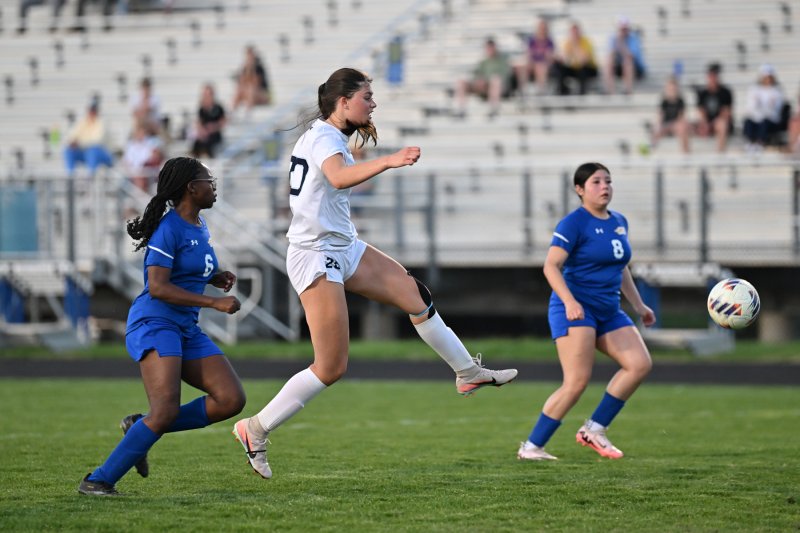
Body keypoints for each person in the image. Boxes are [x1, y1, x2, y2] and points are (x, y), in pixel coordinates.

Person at [232, 67, 518, 479]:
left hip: (343, 245)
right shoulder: (325, 136)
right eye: (366, 96)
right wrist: (388, 161)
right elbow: (336, 177)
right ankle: (255, 428)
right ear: (343, 101)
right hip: (315, 253)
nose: (373, 103)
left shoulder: (328, 134)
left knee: (414, 295)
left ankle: (467, 372)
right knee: (331, 366)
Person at [78, 157, 246, 496]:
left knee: (230, 399)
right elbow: (157, 287)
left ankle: (141, 427)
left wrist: (213, 277)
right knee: (165, 410)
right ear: (191, 188)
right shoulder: (168, 228)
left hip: (185, 328)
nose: (214, 186)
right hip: (155, 323)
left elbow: (185, 267)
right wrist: (213, 302)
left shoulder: (198, 224)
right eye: (209, 180)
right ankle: (98, 480)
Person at [517, 162, 655, 462]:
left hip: (609, 310)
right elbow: (550, 266)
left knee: (639, 364)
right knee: (576, 382)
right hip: (576, 309)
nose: (604, 186)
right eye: (596, 182)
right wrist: (569, 301)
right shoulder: (574, 223)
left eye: (608, 181)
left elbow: (620, 268)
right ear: (579, 189)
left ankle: (594, 429)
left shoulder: (619, 221)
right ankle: (532, 447)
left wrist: (638, 305)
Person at [453, 37, 513, 118]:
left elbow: (504, 76)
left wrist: (487, 81)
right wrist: (478, 80)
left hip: (499, 87)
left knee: (495, 80)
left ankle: (493, 109)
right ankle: (461, 110)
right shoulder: (483, 62)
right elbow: (475, 75)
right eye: (488, 48)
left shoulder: (502, 61)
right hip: (483, 86)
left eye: (491, 47)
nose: (489, 50)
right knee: (461, 82)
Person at [62, 99, 114, 178]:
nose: (91, 113)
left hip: (103, 153)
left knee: (92, 150)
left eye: (93, 110)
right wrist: (73, 142)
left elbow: (97, 141)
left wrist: (79, 143)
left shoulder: (101, 122)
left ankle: (91, 177)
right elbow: (72, 136)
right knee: (69, 150)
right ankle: (70, 176)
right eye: (90, 110)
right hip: (86, 153)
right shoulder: (83, 122)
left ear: (96, 111)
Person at [742, 64, 785, 152]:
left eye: (769, 77)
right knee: (748, 121)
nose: (767, 80)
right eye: (765, 77)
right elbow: (751, 107)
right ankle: (750, 142)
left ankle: (760, 142)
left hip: (770, 120)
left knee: (764, 122)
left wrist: (762, 111)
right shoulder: (754, 89)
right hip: (756, 118)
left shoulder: (777, 91)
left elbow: (775, 110)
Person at [695, 62, 733, 153]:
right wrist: (704, 123)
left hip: (720, 123)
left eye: (714, 76)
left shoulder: (725, 92)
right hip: (707, 124)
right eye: (710, 76)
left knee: (721, 124)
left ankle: (720, 153)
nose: (712, 78)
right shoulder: (703, 93)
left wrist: (711, 124)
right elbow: (701, 111)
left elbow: (726, 113)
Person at [603, 16, 646, 95]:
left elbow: (631, 56)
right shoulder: (613, 38)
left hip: (636, 68)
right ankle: (609, 90)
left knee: (627, 61)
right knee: (609, 60)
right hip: (621, 68)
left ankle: (628, 90)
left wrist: (621, 43)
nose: (623, 31)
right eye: (622, 29)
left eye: (625, 29)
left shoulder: (633, 38)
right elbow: (610, 54)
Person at [553, 22, 598, 96]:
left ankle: (582, 94)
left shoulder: (586, 42)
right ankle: (562, 91)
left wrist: (575, 46)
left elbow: (584, 60)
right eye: (573, 33)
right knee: (559, 68)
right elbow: (563, 59)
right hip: (575, 68)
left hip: (588, 69)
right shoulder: (567, 43)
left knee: (583, 70)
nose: (574, 35)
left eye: (576, 33)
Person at [514, 18, 555, 97]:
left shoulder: (549, 41)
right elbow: (529, 54)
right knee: (523, 66)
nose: (542, 30)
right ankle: (522, 90)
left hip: (543, 64)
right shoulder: (532, 40)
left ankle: (541, 91)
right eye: (540, 28)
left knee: (540, 67)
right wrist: (531, 61)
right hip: (533, 63)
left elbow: (549, 56)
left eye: (543, 28)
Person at [122, 119, 164, 192]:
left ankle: (141, 194)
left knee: (142, 175)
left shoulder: (152, 143)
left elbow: (154, 157)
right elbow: (127, 161)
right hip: (134, 172)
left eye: (142, 132)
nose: (140, 134)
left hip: (147, 172)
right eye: (138, 132)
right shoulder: (131, 145)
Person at [651, 76, 690, 153]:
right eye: (670, 87)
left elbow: (681, 117)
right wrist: (659, 127)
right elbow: (660, 117)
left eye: (673, 87)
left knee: (682, 127)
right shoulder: (664, 101)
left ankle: (685, 152)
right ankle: (652, 149)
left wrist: (675, 125)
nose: (672, 89)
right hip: (666, 125)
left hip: (675, 126)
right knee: (656, 129)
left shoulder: (680, 101)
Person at [231, 45, 271, 113]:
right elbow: (241, 82)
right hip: (250, 94)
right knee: (239, 90)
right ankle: (232, 112)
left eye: (250, 55)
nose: (249, 58)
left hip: (262, 95)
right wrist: (247, 70)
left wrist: (251, 69)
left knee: (251, 89)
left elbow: (256, 83)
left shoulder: (259, 68)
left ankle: (248, 114)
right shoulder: (244, 68)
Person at [191, 83, 227, 158]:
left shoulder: (218, 107)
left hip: (214, 135)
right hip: (205, 134)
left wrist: (213, 127)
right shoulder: (202, 109)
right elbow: (199, 122)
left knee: (209, 143)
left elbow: (223, 122)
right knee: (197, 143)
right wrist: (202, 131)